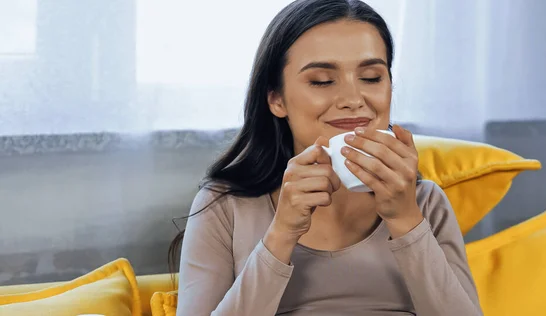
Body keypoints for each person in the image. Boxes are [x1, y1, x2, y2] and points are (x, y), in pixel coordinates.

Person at [170, 0, 483, 315]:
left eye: (372, 77)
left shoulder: (426, 203)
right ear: (276, 99)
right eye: (321, 80)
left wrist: (405, 221)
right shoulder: (225, 206)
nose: (352, 100)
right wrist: (281, 234)